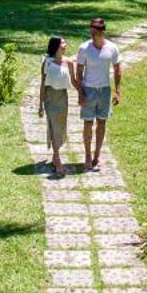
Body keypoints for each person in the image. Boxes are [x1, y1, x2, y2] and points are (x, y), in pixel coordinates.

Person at [75, 16, 122, 171]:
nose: (94, 35)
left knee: (102, 123)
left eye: (97, 32)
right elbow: (79, 70)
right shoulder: (84, 48)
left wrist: (118, 90)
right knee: (88, 123)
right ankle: (88, 155)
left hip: (104, 91)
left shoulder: (112, 48)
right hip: (89, 90)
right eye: (92, 31)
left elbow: (117, 68)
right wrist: (80, 92)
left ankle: (97, 155)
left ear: (103, 32)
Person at [39, 36, 75, 177]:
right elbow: (43, 84)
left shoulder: (69, 62)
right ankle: (57, 157)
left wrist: (82, 93)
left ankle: (55, 154)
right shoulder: (47, 62)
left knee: (61, 126)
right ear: (56, 46)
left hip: (63, 97)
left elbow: (74, 80)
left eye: (65, 42)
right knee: (53, 126)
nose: (65, 45)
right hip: (50, 98)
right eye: (62, 43)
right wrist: (40, 105)